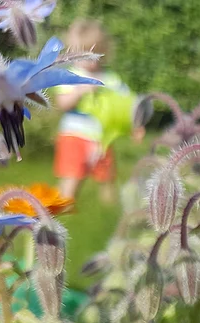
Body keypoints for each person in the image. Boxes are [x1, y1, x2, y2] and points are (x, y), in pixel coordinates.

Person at [53, 19, 144, 203]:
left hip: (102, 138)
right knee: (72, 177)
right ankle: (60, 205)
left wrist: (135, 125)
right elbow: (62, 103)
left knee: (107, 178)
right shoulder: (70, 76)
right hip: (74, 136)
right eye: (80, 54)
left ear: (103, 52)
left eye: (91, 54)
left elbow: (126, 105)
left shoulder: (111, 79)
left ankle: (108, 210)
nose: (86, 60)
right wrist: (79, 91)